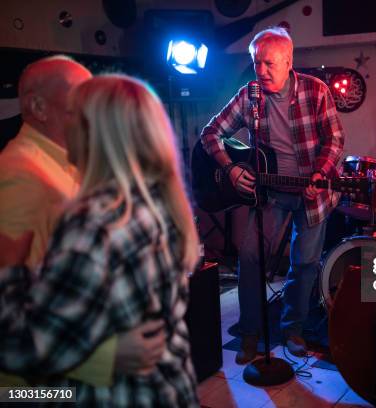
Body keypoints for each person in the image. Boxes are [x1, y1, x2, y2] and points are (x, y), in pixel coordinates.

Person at [0, 74, 200, 406]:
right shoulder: (160, 203)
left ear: (98, 135)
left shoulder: (94, 224)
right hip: (168, 389)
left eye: (73, 117)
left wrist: (10, 274)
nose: (67, 129)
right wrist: (105, 355)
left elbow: (22, 351)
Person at [201, 27, 345, 363]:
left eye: (268, 64)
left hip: (313, 193)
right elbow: (212, 133)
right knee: (250, 257)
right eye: (256, 63)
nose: (261, 71)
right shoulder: (249, 94)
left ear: (288, 61)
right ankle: (250, 333)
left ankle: (293, 329)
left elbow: (335, 140)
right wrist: (230, 168)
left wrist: (320, 173)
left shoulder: (316, 90)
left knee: (305, 263)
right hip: (270, 194)